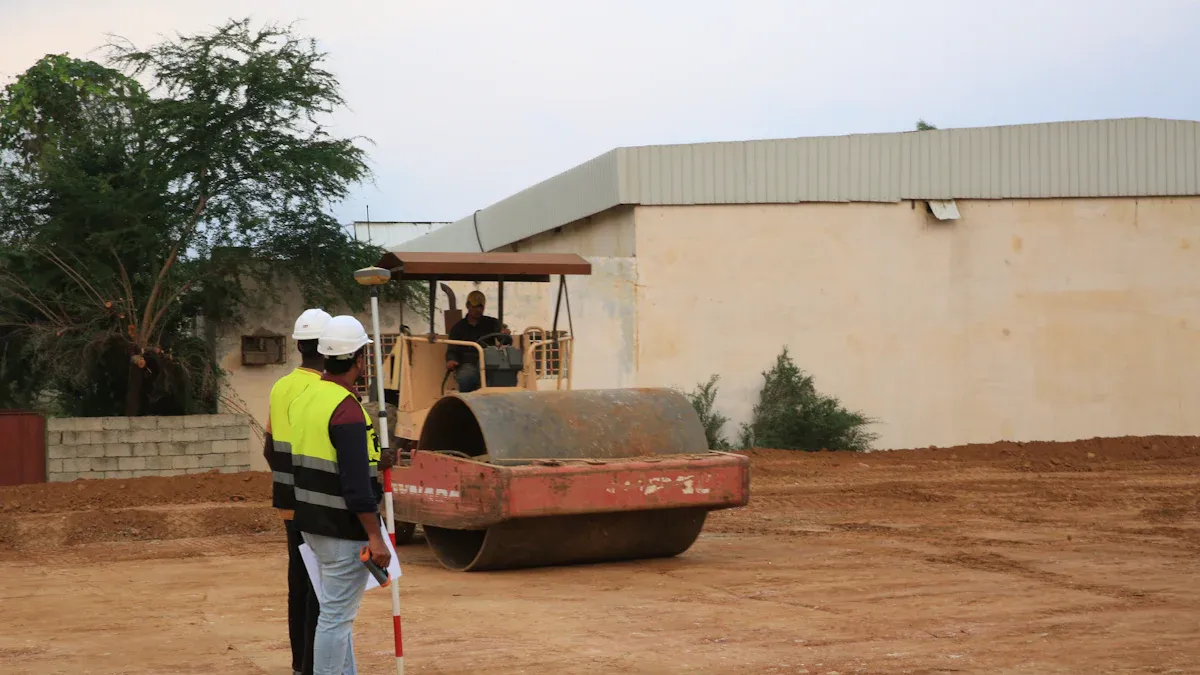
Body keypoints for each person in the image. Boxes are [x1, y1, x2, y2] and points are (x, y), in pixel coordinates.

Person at [290, 315, 390, 675]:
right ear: (359, 359)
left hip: (312, 524)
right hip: (342, 529)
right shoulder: (347, 410)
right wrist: (375, 536)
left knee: (337, 617)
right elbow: (355, 483)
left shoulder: (306, 397)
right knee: (335, 619)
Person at [265, 308, 331, 675]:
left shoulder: (280, 387)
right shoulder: (324, 389)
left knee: (298, 584)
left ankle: (297, 664)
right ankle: (312, 666)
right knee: (322, 592)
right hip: (320, 505)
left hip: (289, 504)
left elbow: (269, 448)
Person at [445, 290, 510, 393]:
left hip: (489, 362)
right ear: (468, 305)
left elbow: (504, 340)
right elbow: (452, 349)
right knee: (466, 376)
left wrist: (504, 334)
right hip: (467, 363)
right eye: (475, 306)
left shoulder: (492, 323)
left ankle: (495, 401)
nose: (478, 310)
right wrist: (451, 360)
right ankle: (467, 403)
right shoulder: (458, 328)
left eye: (481, 307)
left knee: (501, 377)